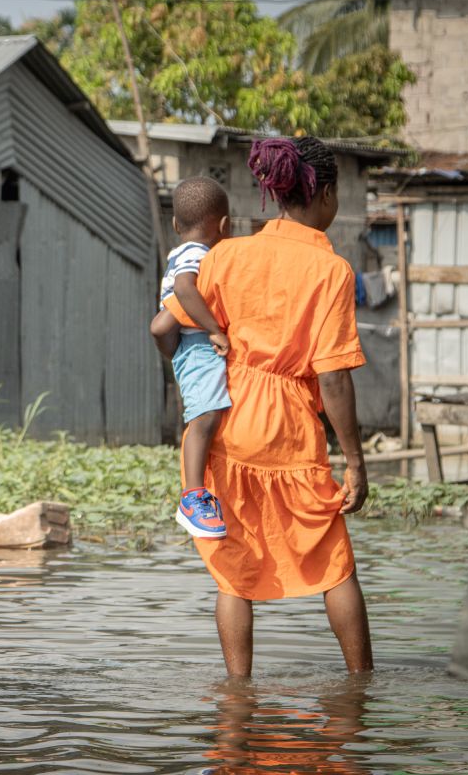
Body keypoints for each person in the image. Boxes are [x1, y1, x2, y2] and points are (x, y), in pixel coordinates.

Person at [163, 136, 373, 677]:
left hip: (228, 418)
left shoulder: (226, 254)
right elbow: (333, 379)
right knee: (334, 564)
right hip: (291, 428)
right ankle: (362, 687)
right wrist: (355, 460)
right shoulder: (333, 272)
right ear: (324, 193)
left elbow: (171, 322)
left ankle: (238, 695)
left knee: (233, 574)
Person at [149, 177, 232, 539]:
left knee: (208, 413)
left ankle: (197, 492)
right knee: (205, 415)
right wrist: (214, 328)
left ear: (175, 224)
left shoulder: (181, 252)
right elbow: (184, 290)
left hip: (189, 343)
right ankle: (193, 496)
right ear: (225, 226)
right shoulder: (197, 254)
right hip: (198, 344)